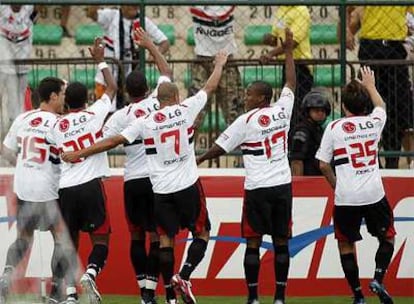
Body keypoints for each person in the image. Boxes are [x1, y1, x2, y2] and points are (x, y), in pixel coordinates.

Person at [61, 50, 229, 304]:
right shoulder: (184, 108)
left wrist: (79, 152)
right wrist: (219, 64)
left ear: (128, 93)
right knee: (201, 231)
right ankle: (176, 286)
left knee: (159, 240)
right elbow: (208, 85)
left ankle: (147, 294)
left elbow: (112, 140)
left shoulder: (140, 120)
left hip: (152, 187)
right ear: (172, 95)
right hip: (178, 184)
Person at [197, 28, 296, 304]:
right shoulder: (282, 110)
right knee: (281, 242)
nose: (246, 98)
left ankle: (253, 297)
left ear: (262, 98)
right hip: (281, 187)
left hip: (257, 189)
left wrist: (200, 159)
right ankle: (279, 298)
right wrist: (288, 50)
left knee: (252, 243)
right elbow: (291, 82)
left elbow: (220, 147)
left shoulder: (245, 121)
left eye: (250, 94)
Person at [102, 28, 172, 304]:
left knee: (135, 235)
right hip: (156, 178)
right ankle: (149, 291)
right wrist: (150, 46)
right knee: (156, 235)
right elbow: (166, 69)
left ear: (126, 93)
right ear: (147, 89)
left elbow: (103, 139)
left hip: (132, 180)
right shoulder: (157, 101)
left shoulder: (120, 116)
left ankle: (142, 287)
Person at [316, 66, 396, 304]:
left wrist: (337, 186)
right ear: (365, 106)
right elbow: (381, 106)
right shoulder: (374, 122)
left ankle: (358, 295)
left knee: (345, 243)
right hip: (374, 194)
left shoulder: (334, 127)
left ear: (343, 106)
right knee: (388, 237)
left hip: (346, 196)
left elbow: (322, 164)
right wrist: (371, 86)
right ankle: (378, 279)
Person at [46, 37, 117, 304]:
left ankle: (70, 295)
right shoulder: (95, 113)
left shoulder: (56, 125)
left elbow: (52, 145)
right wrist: (99, 59)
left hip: (66, 188)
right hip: (90, 185)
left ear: (66, 103)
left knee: (68, 244)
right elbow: (112, 87)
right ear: (87, 99)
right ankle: (90, 272)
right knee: (101, 240)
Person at [0, 77, 70, 304]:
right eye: (62, 95)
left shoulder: (23, 118)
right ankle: (55, 292)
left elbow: (5, 149)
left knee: (24, 237)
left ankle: (6, 276)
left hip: (23, 187)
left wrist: (21, 161)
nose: (63, 99)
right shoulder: (58, 123)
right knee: (60, 238)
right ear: (53, 97)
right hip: (48, 189)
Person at [347, 5, 414, 168]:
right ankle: (371, 161)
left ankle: (392, 162)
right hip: (371, 45)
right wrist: (347, 31)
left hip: (395, 46)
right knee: (366, 104)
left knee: (397, 110)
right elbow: (349, 8)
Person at [87, 5, 170, 110]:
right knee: (104, 110)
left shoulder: (143, 20)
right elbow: (91, 13)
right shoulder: (112, 15)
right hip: (107, 77)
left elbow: (165, 42)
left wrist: (154, 54)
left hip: (131, 78)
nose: (133, 5)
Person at [260, 6, 313, 132]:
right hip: (287, 64)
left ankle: (299, 142)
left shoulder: (301, 10)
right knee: (288, 106)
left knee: (298, 108)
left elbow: (292, 43)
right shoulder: (281, 9)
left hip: (301, 65)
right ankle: (289, 142)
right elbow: (277, 38)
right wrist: (270, 39)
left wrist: (270, 54)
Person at [189, 5, 244, 126]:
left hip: (226, 61)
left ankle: (239, 144)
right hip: (203, 60)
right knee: (195, 112)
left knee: (233, 112)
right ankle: (189, 143)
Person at [0, 5, 38, 140]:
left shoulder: (29, 8)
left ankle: (16, 132)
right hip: (3, 63)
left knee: (18, 102)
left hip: (22, 65)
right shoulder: (2, 8)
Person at [290, 89, 331, 176]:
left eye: (323, 111)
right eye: (316, 110)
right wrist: (298, 184)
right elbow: (296, 160)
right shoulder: (302, 130)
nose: (320, 113)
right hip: (308, 178)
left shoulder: (318, 129)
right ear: (307, 111)